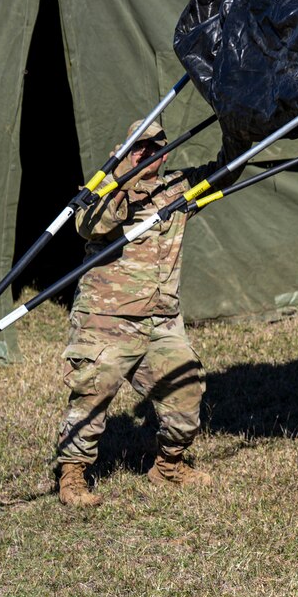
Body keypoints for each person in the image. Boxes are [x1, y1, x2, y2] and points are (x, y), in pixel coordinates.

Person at [52, 120, 207, 506]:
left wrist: (245, 134)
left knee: (187, 388)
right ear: (124, 150)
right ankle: (72, 475)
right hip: (107, 318)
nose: (146, 153)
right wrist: (121, 178)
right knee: (93, 392)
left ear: (166, 153)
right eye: (139, 146)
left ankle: (168, 466)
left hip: (160, 318)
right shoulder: (104, 187)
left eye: (155, 146)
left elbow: (226, 170)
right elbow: (91, 225)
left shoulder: (178, 188)